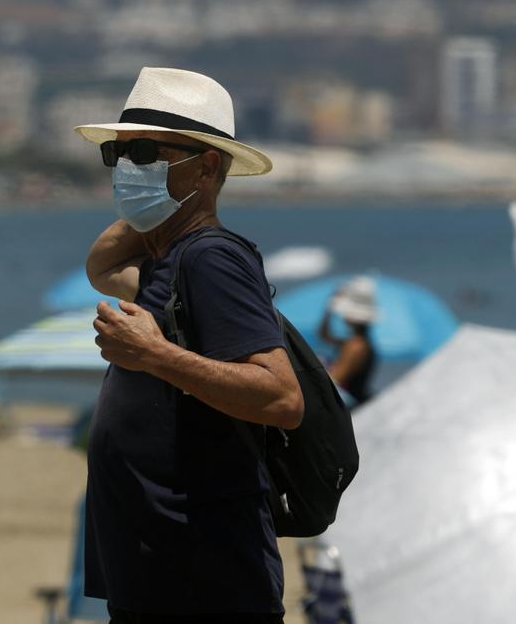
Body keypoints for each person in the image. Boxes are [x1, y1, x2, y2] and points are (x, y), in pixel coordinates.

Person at [77, 68, 304, 623]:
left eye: (149, 152)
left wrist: (155, 356)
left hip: (204, 581)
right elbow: (102, 267)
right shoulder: (172, 259)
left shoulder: (212, 259)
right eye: (119, 154)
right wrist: (149, 205)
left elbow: (281, 398)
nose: (130, 168)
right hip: (159, 574)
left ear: (205, 165)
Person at [317, 276, 379, 406]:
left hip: (354, 406)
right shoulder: (358, 342)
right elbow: (324, 335)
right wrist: (329, 310)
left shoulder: (356, 346)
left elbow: (335, 378)